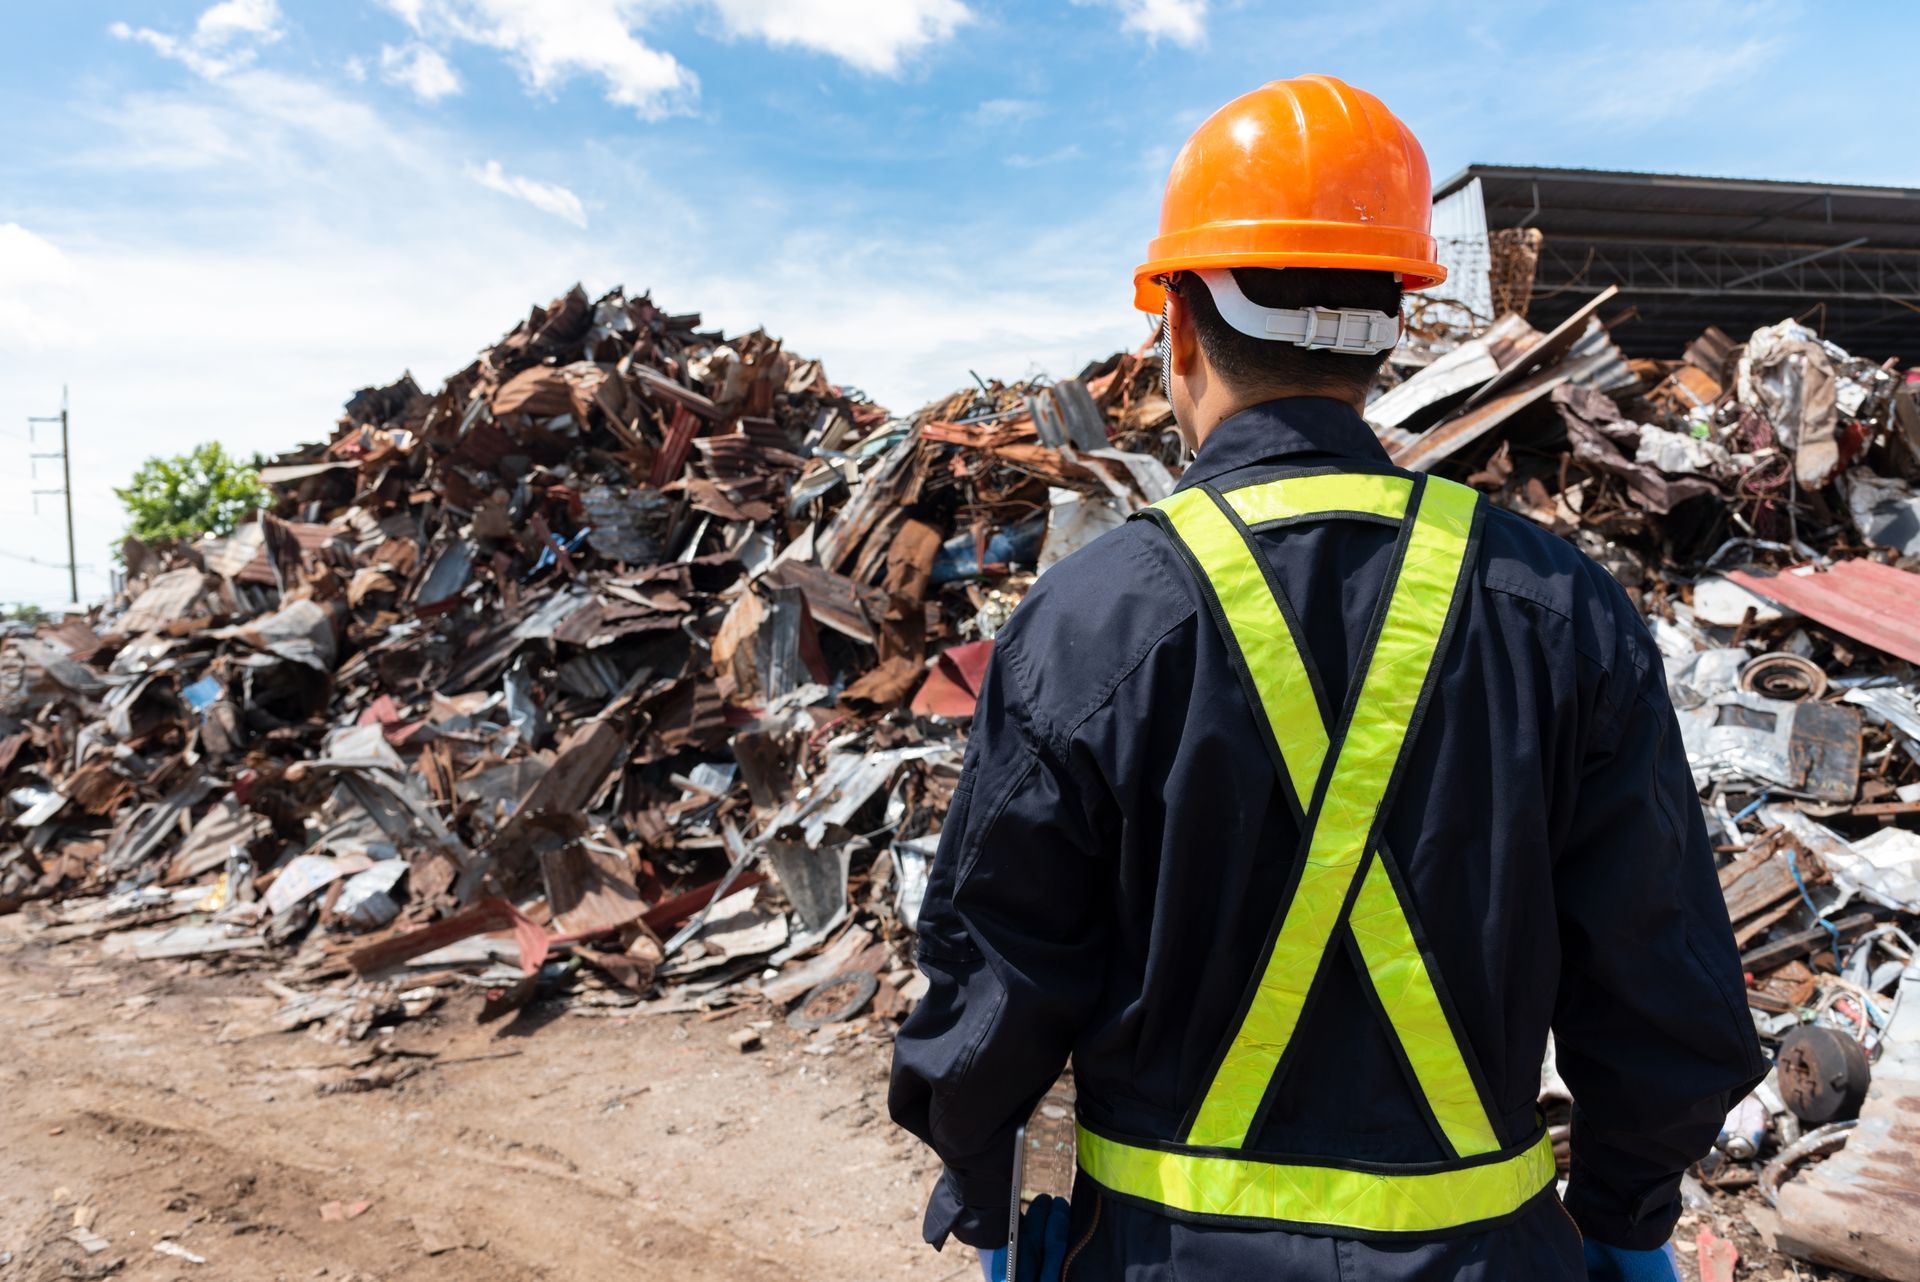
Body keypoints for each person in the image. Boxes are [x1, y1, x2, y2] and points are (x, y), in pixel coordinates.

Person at [888, 73, 1766, 1281]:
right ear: (1396, 321)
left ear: (1180, 329)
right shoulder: (1561, 610)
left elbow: (996, 980)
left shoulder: (1089, 622)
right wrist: (1623, 1219)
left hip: (1162, 1261)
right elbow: (1665, 991)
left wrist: (983, 1195)